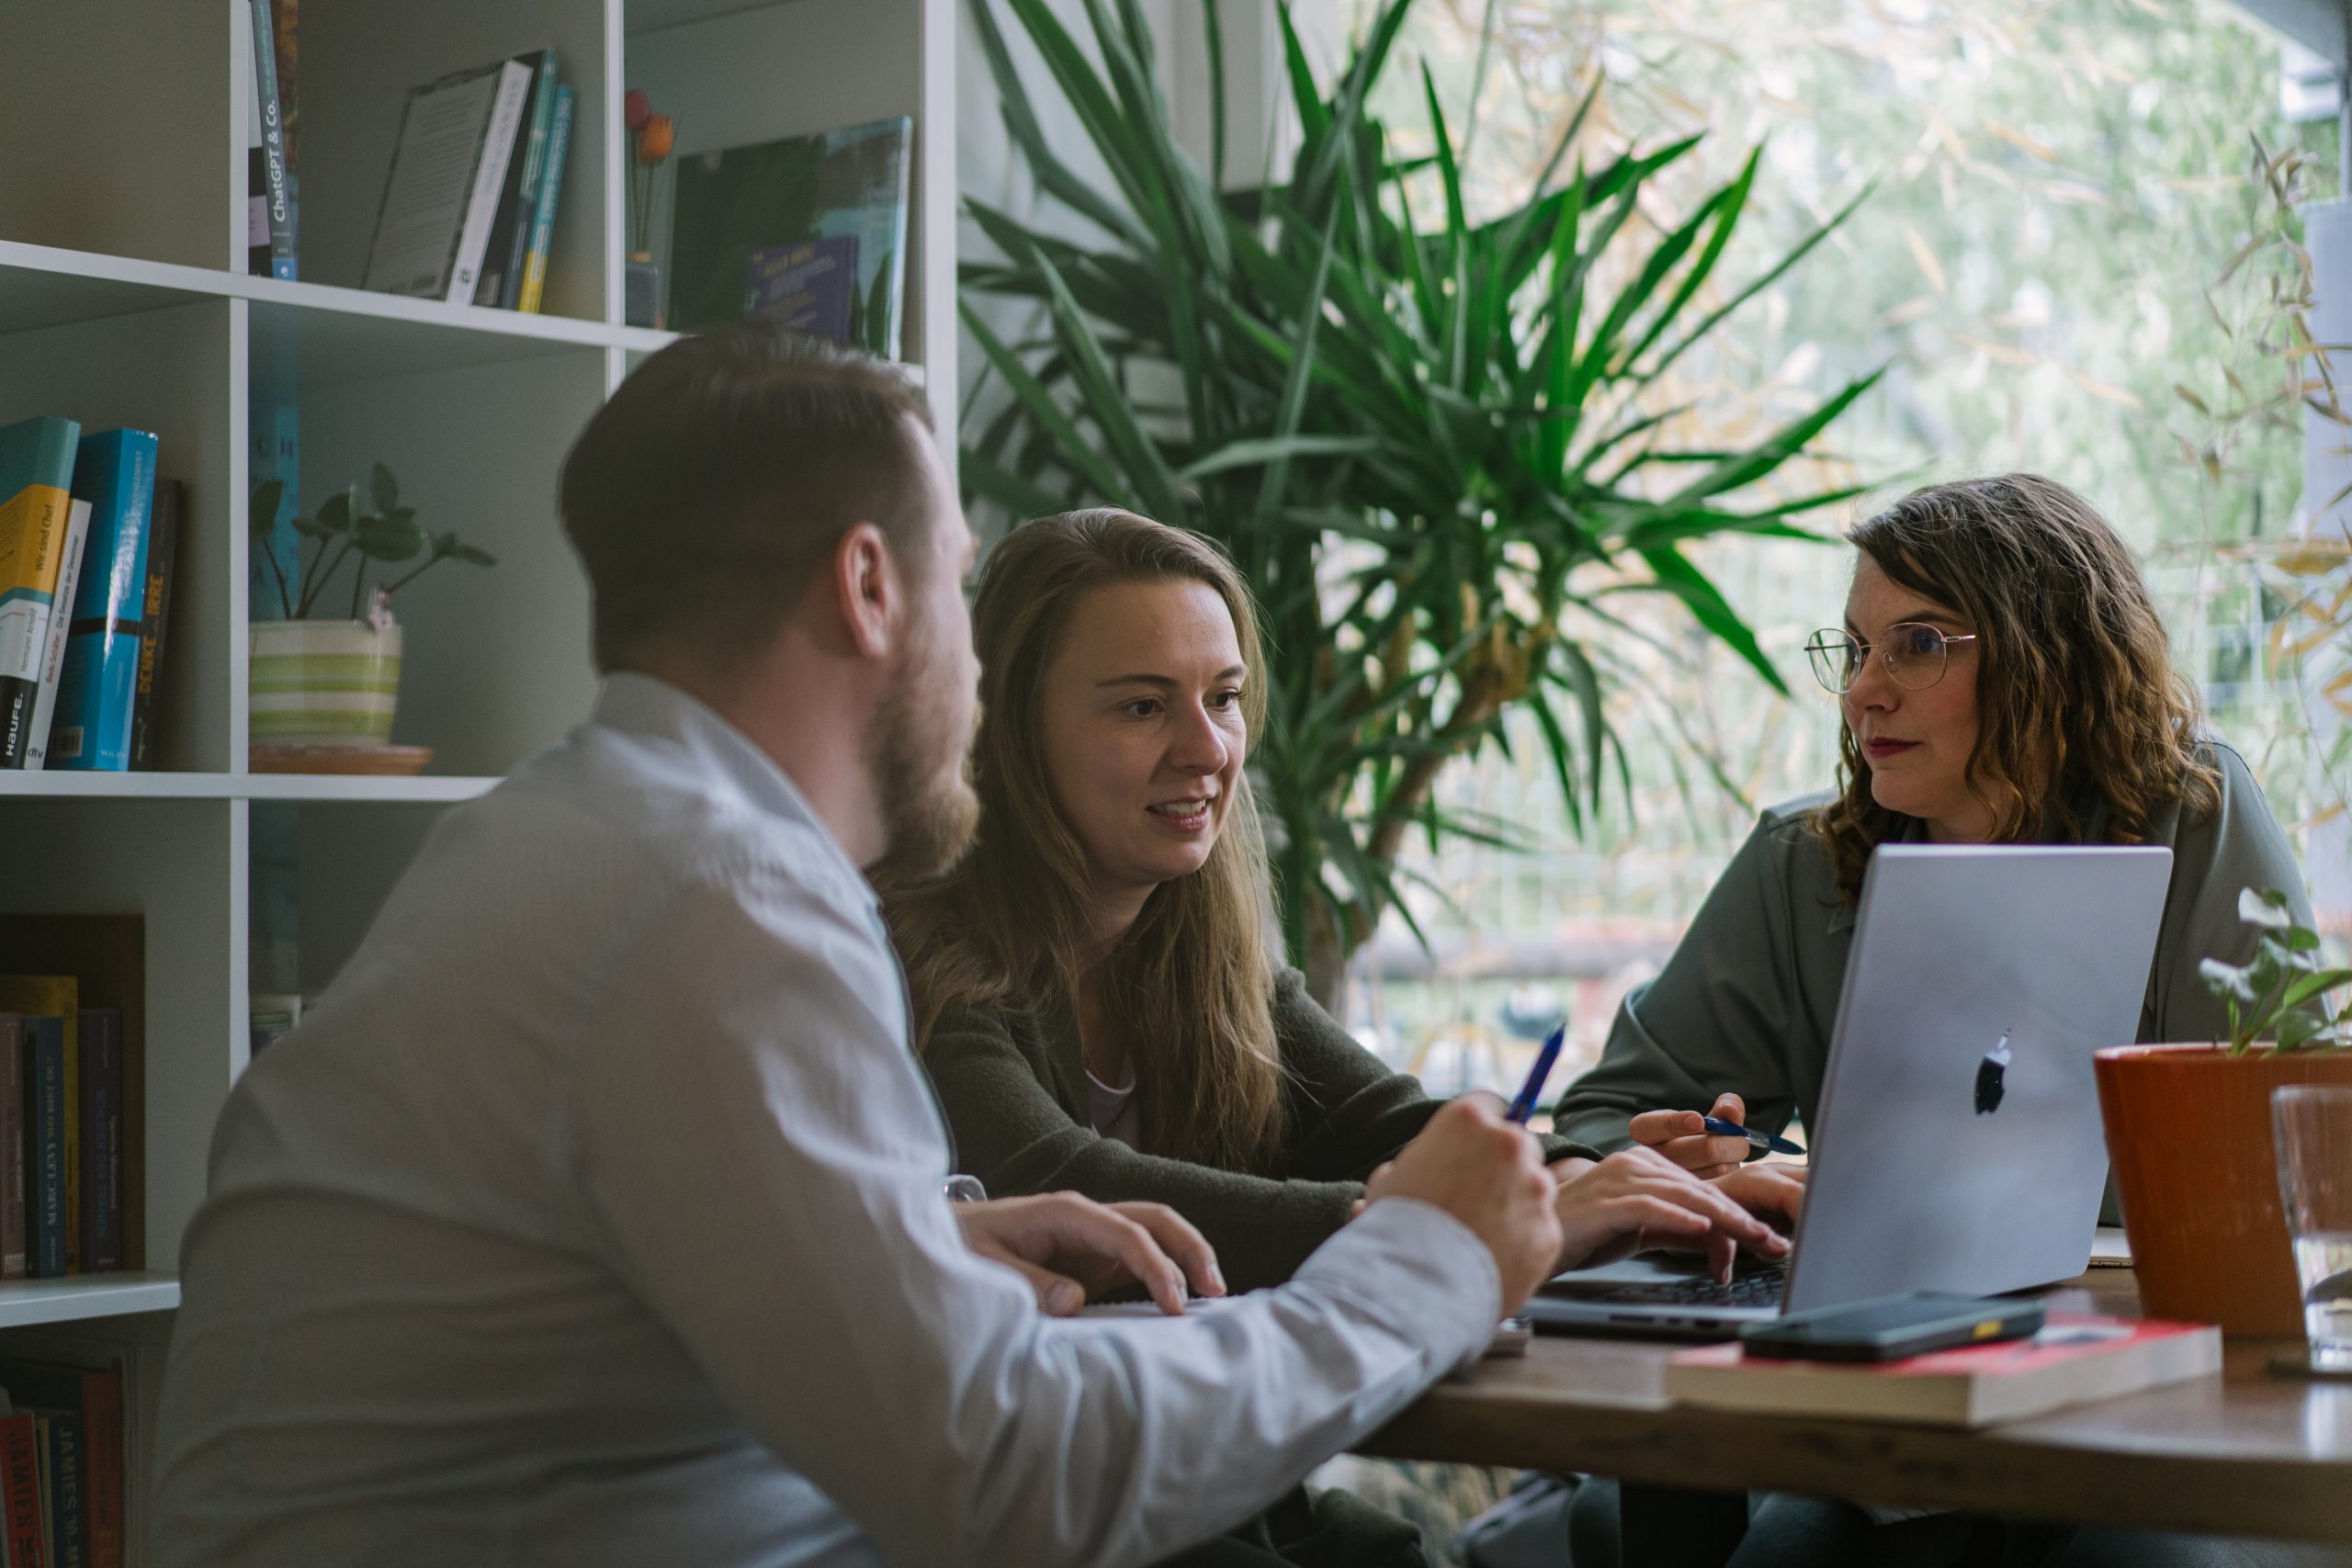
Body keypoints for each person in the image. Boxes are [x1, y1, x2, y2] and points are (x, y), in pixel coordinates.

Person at [148, 327, 1577, 1568]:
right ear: (869, 586)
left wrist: (915, 1237)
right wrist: (1421, 1261)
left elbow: (562, 1268)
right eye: (960, 586)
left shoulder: (566, 834)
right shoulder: (723, 895)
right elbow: (1011, 1476)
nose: (974, 657)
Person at [1551, 472, 2314, 1568]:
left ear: (2042, 651)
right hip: (1899, 1403)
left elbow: (2292, 1150)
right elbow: (1600, 1125)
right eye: (1854, 649)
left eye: (1915, 644)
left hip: (2159, 1400)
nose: (1864, 691)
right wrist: (1702, 1167)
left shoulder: (2192, 818)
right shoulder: (1799, 868)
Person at [886, 510, 1803, 1300]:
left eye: (1225, 697)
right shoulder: (918, 956)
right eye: (1141, 707)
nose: (1207, 749)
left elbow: (1392, 1123)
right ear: (1005, 729)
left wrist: (1592, 1178)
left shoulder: (1206, 960)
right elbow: (1069, 1191)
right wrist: (1468, 1229)